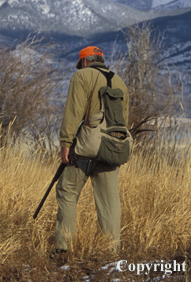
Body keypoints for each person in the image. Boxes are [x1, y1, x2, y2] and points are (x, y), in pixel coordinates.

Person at [54, 46, 129, 254]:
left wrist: (66, 144)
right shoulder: (120, 81)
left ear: (85, 62)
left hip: (86, 148)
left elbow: (73, 111)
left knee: (67, 191)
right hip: (112, 147)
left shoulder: (82, 76)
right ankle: (111, 254)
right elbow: (124, 120)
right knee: (109, 201)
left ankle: (63, 249)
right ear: (101, 60)